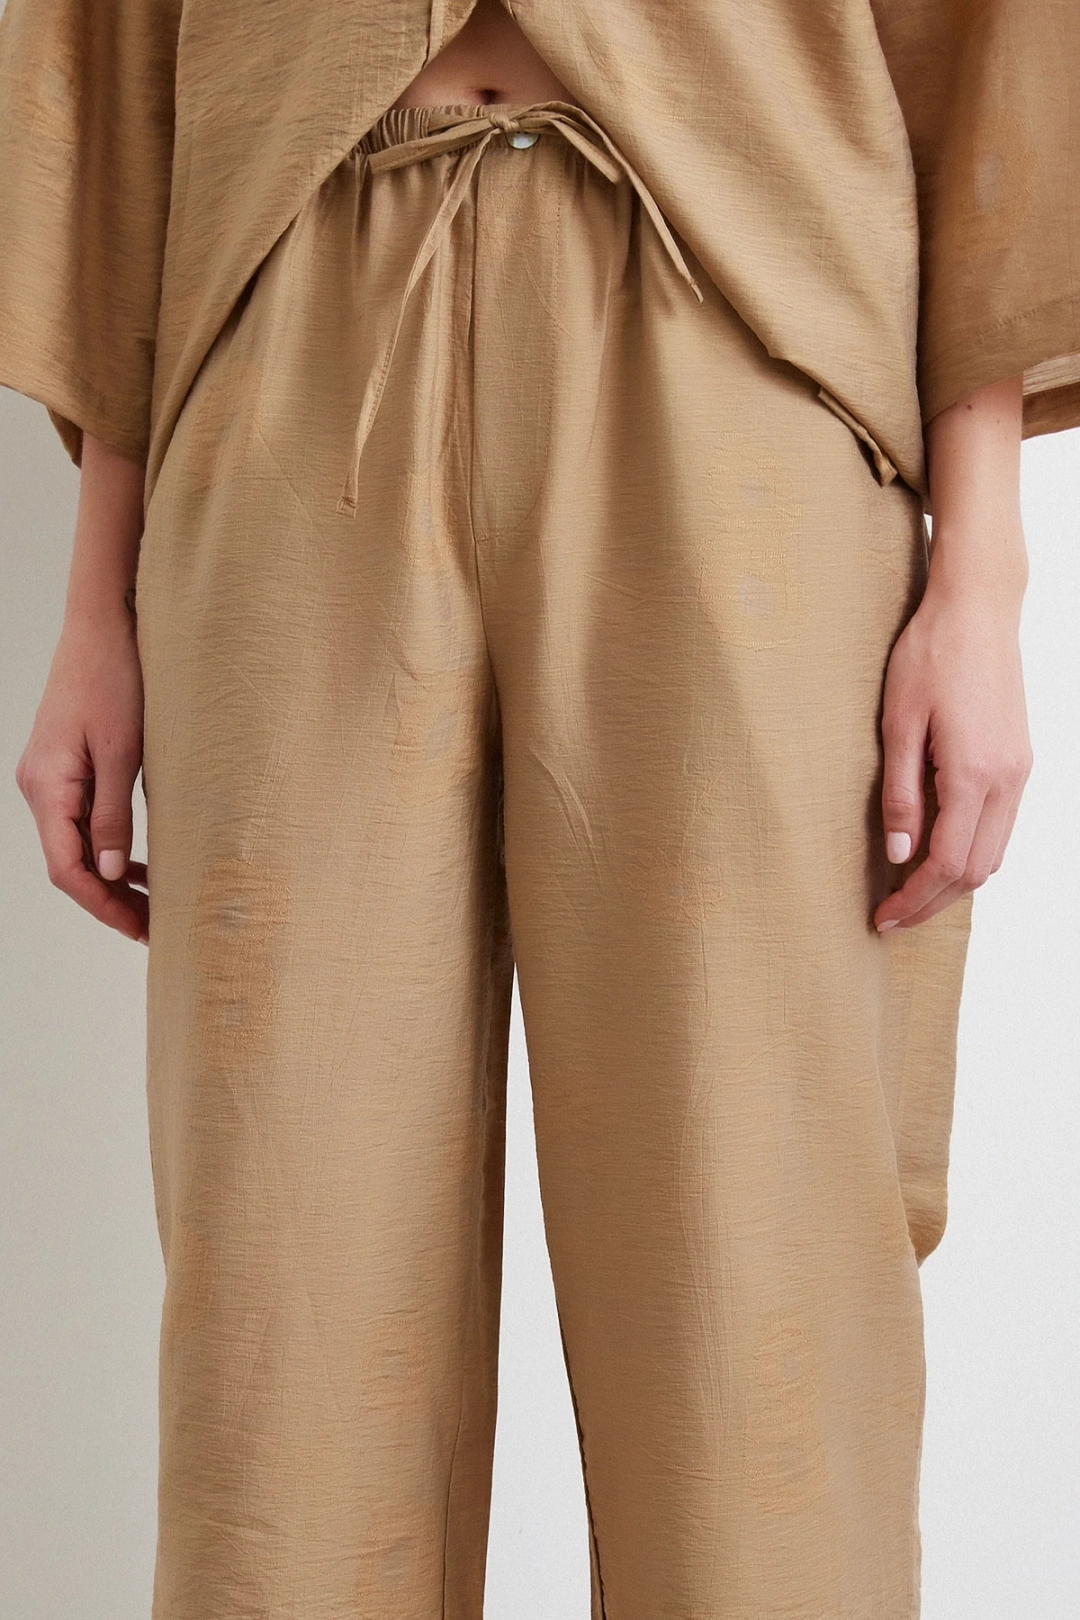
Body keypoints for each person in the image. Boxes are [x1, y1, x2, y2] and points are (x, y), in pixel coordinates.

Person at [1, 0, 1076, 1615]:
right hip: (283, 340)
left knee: (755, 1280)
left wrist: (983, 576)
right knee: (280, 1299)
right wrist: (97, 599)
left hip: (746, 340)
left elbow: (995, 46)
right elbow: (112, 53)